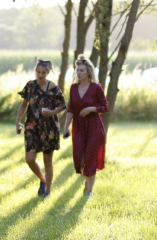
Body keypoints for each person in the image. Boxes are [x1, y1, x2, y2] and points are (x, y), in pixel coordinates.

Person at [15, 59, 66, 198]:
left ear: (48, 73)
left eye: (43, 72)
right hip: (32, 126)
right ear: (35, 70)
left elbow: (63, 105)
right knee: (29, 159)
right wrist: (18, 119)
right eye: (38, 72)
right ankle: (43, 180)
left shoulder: (52, 87)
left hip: (49, 128)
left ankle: (48, 192)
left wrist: (52, 112)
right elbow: (24, 104)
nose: (40, 75)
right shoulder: (30, 86)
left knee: (47, 160)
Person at [62, 56, 107, 199]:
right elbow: (71, 109)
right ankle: (87, 180)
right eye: (77, 70)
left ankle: (88, 191)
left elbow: (105, 106)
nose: (78, 73)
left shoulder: (96, 88)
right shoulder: (74, 88)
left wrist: (91, 109)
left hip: (94, 126)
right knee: (79, 159)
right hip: (79, 127)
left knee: (90, 158)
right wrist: (66, 127)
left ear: (89, 72)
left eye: (81, 70)